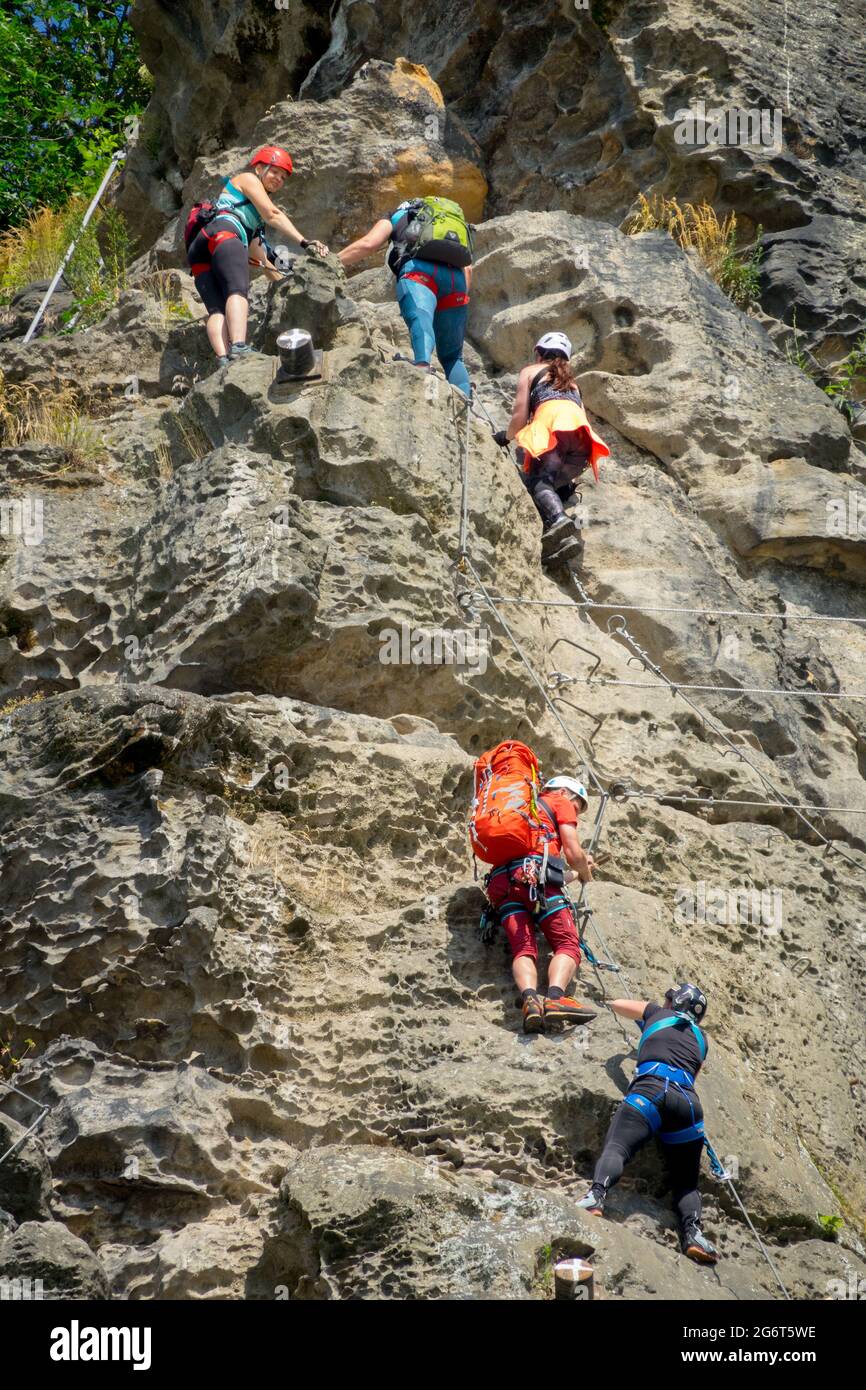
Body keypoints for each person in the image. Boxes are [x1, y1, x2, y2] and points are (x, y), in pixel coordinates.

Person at [577, 983, 719, 1265]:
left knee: (617, 1147)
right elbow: (693, 1072)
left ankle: (596, 1195)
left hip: (650, 1091)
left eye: (668, 1000)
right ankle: (693, 1234)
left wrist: (647, 1024)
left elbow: (618, 1004)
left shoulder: (656, 1013)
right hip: (688, 1106)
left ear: (674, 1003)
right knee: (687, 1184)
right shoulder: (702, 1040)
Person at [185, 146, 328, 366]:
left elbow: (262, 259)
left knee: (216, 308)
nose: (279, 179)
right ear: (259, 168)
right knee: (237, 290)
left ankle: (223, 361)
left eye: (283, 177)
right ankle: (239, 347)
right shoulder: (247, 179)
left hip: (200, 249)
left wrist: (283, 284)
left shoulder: (249, 219)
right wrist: (304, 242)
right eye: (275, 172)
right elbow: (272, 214)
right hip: (224, 235)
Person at [483, 775, 597, 1033]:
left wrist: (576, 873)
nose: (575, 811)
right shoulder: (560, 800)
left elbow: (555, 875)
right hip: (535, 879)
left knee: (523, 949)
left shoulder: (518, 809)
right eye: (578, 806)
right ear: (568, 793)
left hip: (502, 883)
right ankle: (555, 999)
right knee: (568, 945)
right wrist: (584, 869)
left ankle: (531, 1002)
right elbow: (571, 851)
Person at [338, 196, 472, 397]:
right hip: (456, 282)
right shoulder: (450, 225)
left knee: (422, 321)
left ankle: (423, 370)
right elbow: (467, 268)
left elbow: (368, 244)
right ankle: (466, 404)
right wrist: (458, 298)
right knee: (453, 357)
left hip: (419, 273)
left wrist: (333, 261)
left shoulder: (398, 215)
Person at [494, 332, 610, 564]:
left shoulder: (530, 372)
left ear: (539, 354)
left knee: (539, 482)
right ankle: (562, 540)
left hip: (554, 432)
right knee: (552, 486)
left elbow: (519, 416)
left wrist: (505, 438)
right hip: (582, 442)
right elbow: (580, 419)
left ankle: (558, 519)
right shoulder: (574, 385)